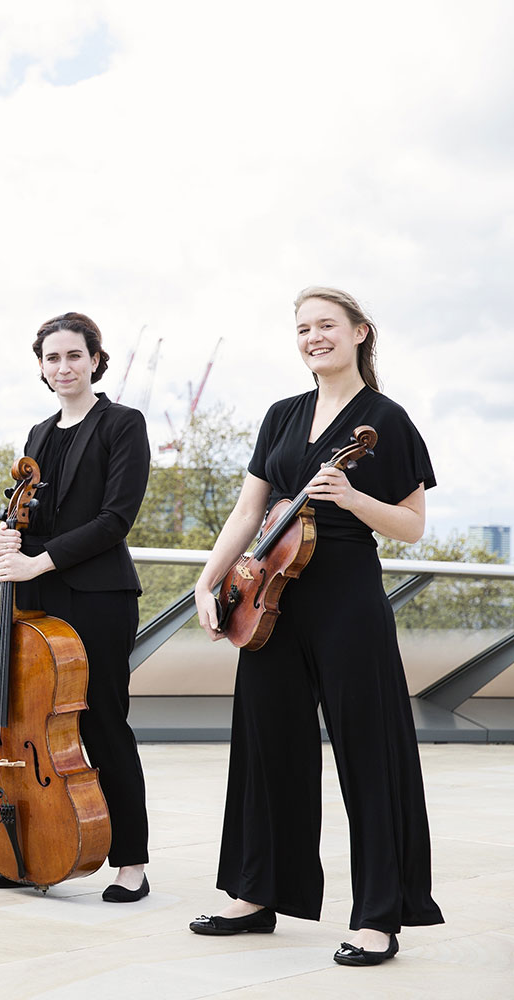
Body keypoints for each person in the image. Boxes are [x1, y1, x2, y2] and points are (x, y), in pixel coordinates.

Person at [189, 287, 443, 966]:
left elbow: (414, 527)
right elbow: (249, 513)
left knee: (368, 751)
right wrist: (208, 581)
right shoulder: (281, 415)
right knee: (266, 745)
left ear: (360, 332)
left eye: (326, 325)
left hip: (346, 600)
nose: (312, 337)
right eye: (302, 328)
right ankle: (255, 892)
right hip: (271, 596)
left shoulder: (386, 421)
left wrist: (355, 499)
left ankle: (379, 916)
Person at [0, 312, 152, 901]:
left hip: (99, 595)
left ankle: (131, 860)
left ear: (95, 360)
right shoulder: (38, 435)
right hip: (39, 589)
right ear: (41, 367)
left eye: (74, 356)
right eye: (52, 358)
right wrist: (10, 539)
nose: (63, 367)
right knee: (32, 722)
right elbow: (32, 518)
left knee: (103, 720)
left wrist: (38, 560)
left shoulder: (122, 424)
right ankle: (29, 849)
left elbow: (114, 519)